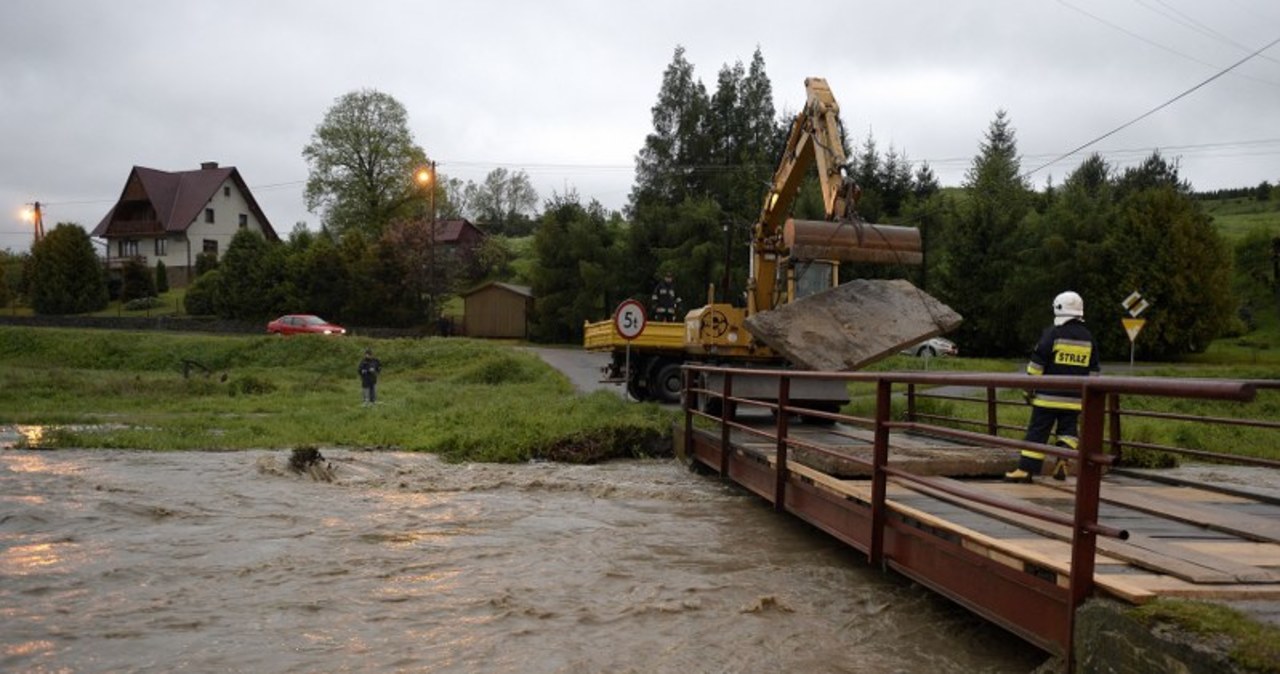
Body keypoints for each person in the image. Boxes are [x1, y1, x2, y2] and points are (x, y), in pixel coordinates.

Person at [1005, 291, 1101, 483]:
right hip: (1075, 399)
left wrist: (1028, 389)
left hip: (1047, 397)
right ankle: (1063, 460)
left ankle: (1026, 470)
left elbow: (1037, 364)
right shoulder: (1088, 337)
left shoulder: (1053, 333)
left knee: (1037, 432)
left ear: (1058, 309)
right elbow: (1094, 371)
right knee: (1068, 432)